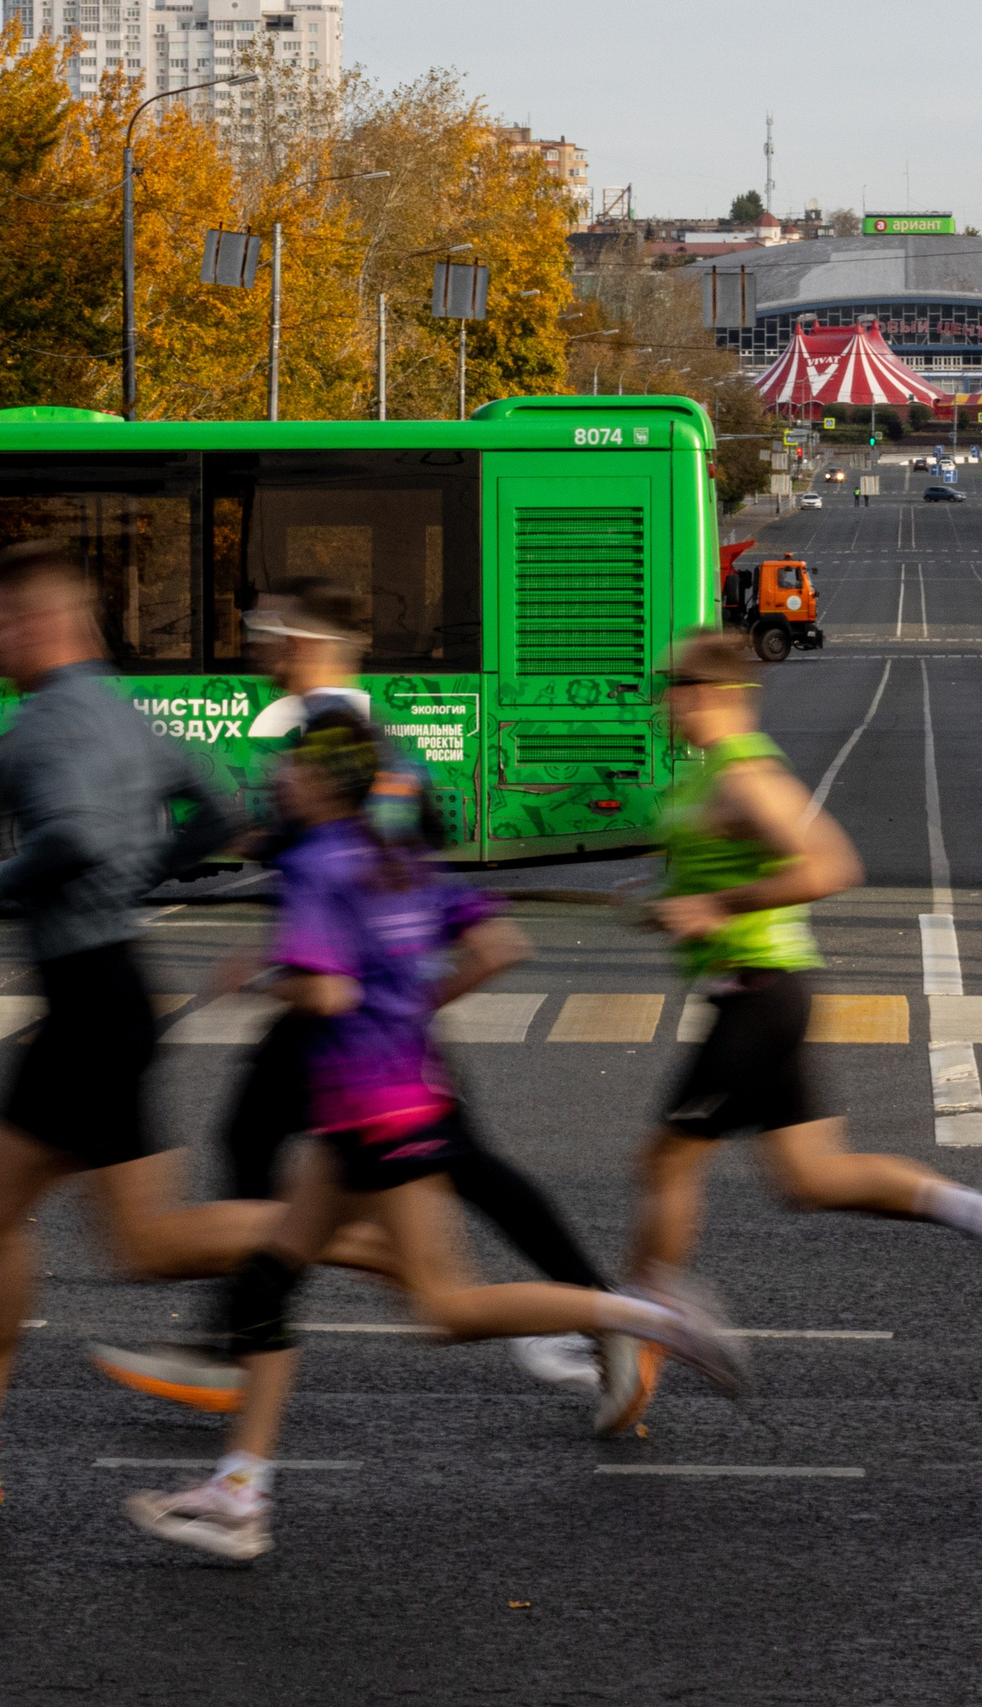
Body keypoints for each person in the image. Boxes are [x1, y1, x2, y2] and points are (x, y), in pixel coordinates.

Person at [124, 713, 746, 1560]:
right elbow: (500, 945)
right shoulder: (400, 859)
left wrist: (262, 976)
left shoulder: (320, 863)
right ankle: (240, 1492)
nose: (281, 777)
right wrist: (409, 1004)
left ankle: (650, 1315)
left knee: (444, 1307)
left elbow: (329, 994)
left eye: (295, 768)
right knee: (269, 1283)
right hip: (387, 1099)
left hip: (370, 1112)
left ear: (326, 782)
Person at [86, 577, 618, 1412]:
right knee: (345, 1150)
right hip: (359, 1001)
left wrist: (309, 967)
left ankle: (604, 1313)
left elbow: (401, 858)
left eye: (265, 633)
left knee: (412, 1162)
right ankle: (240, 1339)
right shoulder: (330, 735)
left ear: (303, 643)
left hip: (355, 1010)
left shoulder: (353, 744)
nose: (255, 649)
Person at [0, 542, 268, 1513]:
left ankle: (348, 1236)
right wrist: (135, 875)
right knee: (47, 1222)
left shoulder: (38, 727)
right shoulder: (126, 711)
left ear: (43, 624)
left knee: (117, 1240)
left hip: (89, 1004)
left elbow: (74, 837)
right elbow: (217, 817)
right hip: (104, 996)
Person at [598, 631, 982, 1436]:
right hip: (756, 995)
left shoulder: (746, 774)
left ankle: (655, 1327)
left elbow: (829, 864)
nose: (663, 700)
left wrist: (716, 908)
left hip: (760, 995)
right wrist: (665, 894)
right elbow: (723, 865)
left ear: (711, 692)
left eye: (673, 686)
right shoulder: (706, 773)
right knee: (810, 1177)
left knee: (665, 1159)